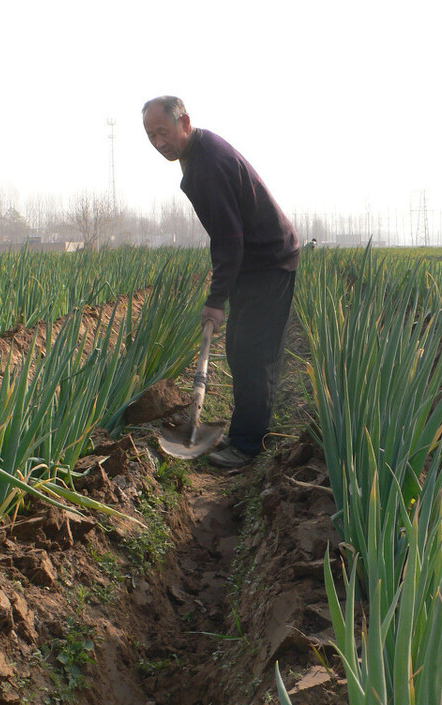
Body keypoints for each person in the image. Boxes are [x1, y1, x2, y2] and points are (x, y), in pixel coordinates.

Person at [142, 95, 300, 468]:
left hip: (269, 261)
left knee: (253, 353)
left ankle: (248, 446)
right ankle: (247, 430)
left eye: (163, 132)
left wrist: (216, 300)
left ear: (184, 123)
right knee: (240, 348)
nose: (158, 142)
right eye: (150, 136)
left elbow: (229, 240)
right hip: (254, 263)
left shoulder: (206, 165)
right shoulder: (198, 155)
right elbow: (228, 238)